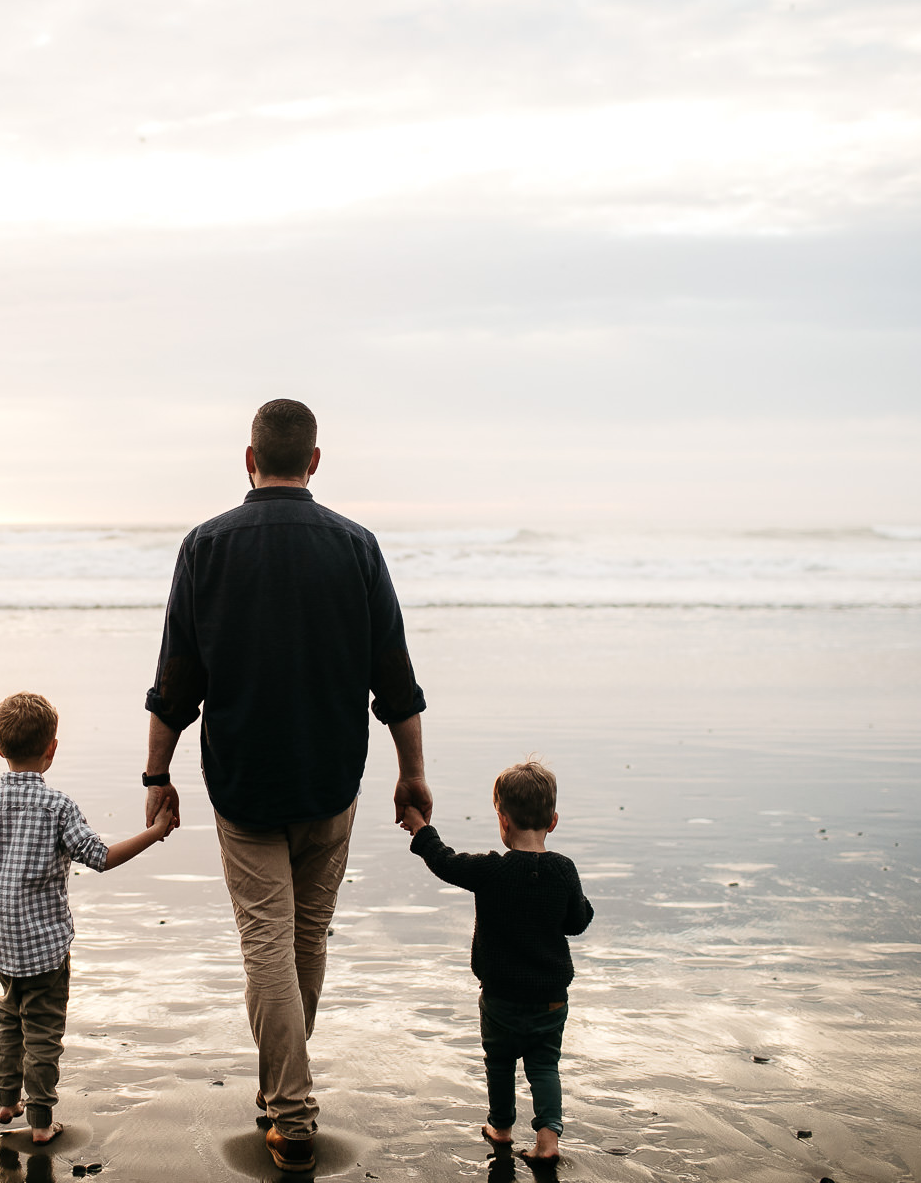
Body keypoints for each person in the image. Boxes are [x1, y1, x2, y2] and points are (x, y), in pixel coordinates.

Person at [141, 398, 431, 1173]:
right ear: (314, 460)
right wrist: (413, 773)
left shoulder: (206, 546)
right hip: (331, 776)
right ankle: (282, 1100)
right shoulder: (356, 546)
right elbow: (394, 679)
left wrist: (157, 773)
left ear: (248, 459)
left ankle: (290, 1110)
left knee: (268, 939)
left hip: (242, 781)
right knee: (302, 938)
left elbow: (177, 680)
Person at [0, 691, 178, 1143]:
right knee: (43, 1030)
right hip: (44, 948)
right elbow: (101, 857)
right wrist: (154, 833)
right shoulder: (58, 807)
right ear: (52, 748)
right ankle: (39, 1122)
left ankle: (6, 1100)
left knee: (9, 1016)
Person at [398, 758, 594, 1163]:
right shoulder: (563, 870)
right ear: (553, 821)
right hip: (551, 999)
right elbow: (577, 922)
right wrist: (583, 905)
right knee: (544, 1066)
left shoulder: (490, 870)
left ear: (502, 821)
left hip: (501, 997)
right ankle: (548, 1140)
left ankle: (501, 1128)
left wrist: (420, 828)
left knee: (500, 1063)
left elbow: (444, 860)